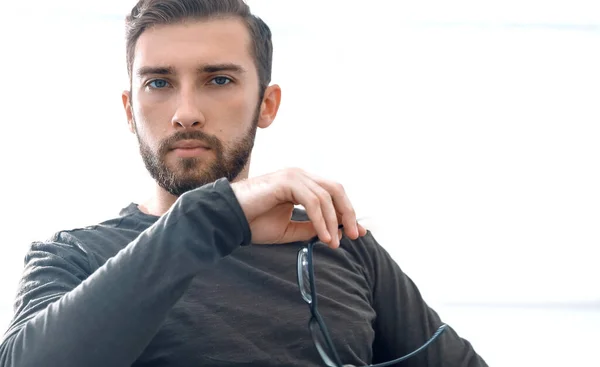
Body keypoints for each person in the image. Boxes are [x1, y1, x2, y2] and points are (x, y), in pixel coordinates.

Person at [0, 1, 488, 366]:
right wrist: (207, 218)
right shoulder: (73, 258)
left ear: (267, 105)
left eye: (218, 80)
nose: (185, 113)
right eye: (158, 83)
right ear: (130, 110)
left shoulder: (341, 245)